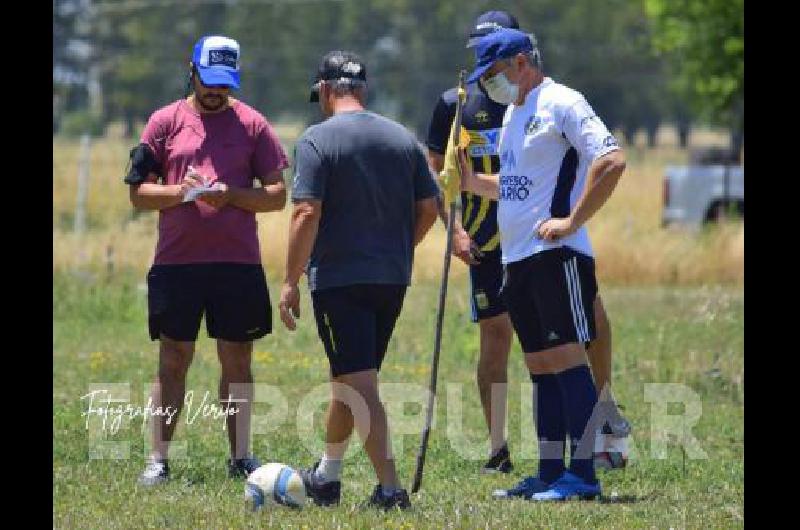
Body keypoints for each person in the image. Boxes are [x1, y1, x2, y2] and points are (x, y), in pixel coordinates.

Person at [426, 10, 629, 475]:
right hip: (515, 259)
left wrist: (571, 220)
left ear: (521, 61)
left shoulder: (561, 101)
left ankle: (582, 473)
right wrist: (471, 180)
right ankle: (549, 473)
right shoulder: (518, 111)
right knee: (539, 364)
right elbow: (514, 185)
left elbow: (612, 161)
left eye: (493, 72)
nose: (489, 83)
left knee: (567, 357)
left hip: (553, 255)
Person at [278, 50, 439, 510]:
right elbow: (429, 208)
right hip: (391, 277)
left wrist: (289, 281)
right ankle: (326, 477)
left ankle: (390, 490)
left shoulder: (316, 140)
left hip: (339, 279)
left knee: (359, 384)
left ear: (326, 90)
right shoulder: (403, 139)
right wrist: (400, 248)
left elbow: (307, 210)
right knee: (348, 379)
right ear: (362, 89)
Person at [127, 35, 289, 486]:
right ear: (192, 70)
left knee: (236, 360)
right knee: (173, 359)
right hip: (176, 264)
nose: (216, 91)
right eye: (208, 81)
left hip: (237, 264)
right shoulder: (163, 122)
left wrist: (231, 196)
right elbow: (138, 193)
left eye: (225, 83)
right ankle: (157, 459)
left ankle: (241, 457)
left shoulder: (254, 125)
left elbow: (277, 196)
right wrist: (180, 193)